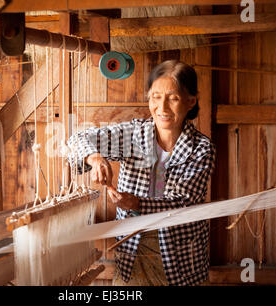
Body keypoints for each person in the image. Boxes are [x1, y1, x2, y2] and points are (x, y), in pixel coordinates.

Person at [67, 60, 216, 286]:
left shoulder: (202, 148)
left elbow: (183, 203)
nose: (162, 107)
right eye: (156, 97)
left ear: (190, 101)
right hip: (132, 246)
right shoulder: (134, 134)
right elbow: (77, 139)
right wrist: (94, 158)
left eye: (173, 98)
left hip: (180, 253)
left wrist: (137, 204)